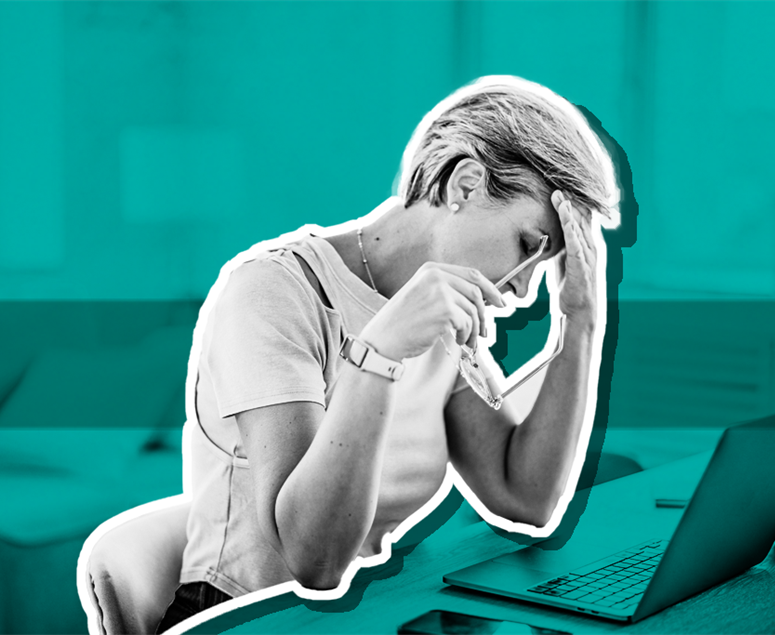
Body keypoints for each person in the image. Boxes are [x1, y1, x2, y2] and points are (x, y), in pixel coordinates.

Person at [158, 75, 620, 633]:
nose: (523, 292)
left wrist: (583, 322)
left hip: (364, 611)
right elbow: (314, 561)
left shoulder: (445, 313)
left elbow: (525, 497)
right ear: (466, 185)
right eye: (529, 246)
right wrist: (379, 351)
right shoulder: (272, 291)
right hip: (243, 616)